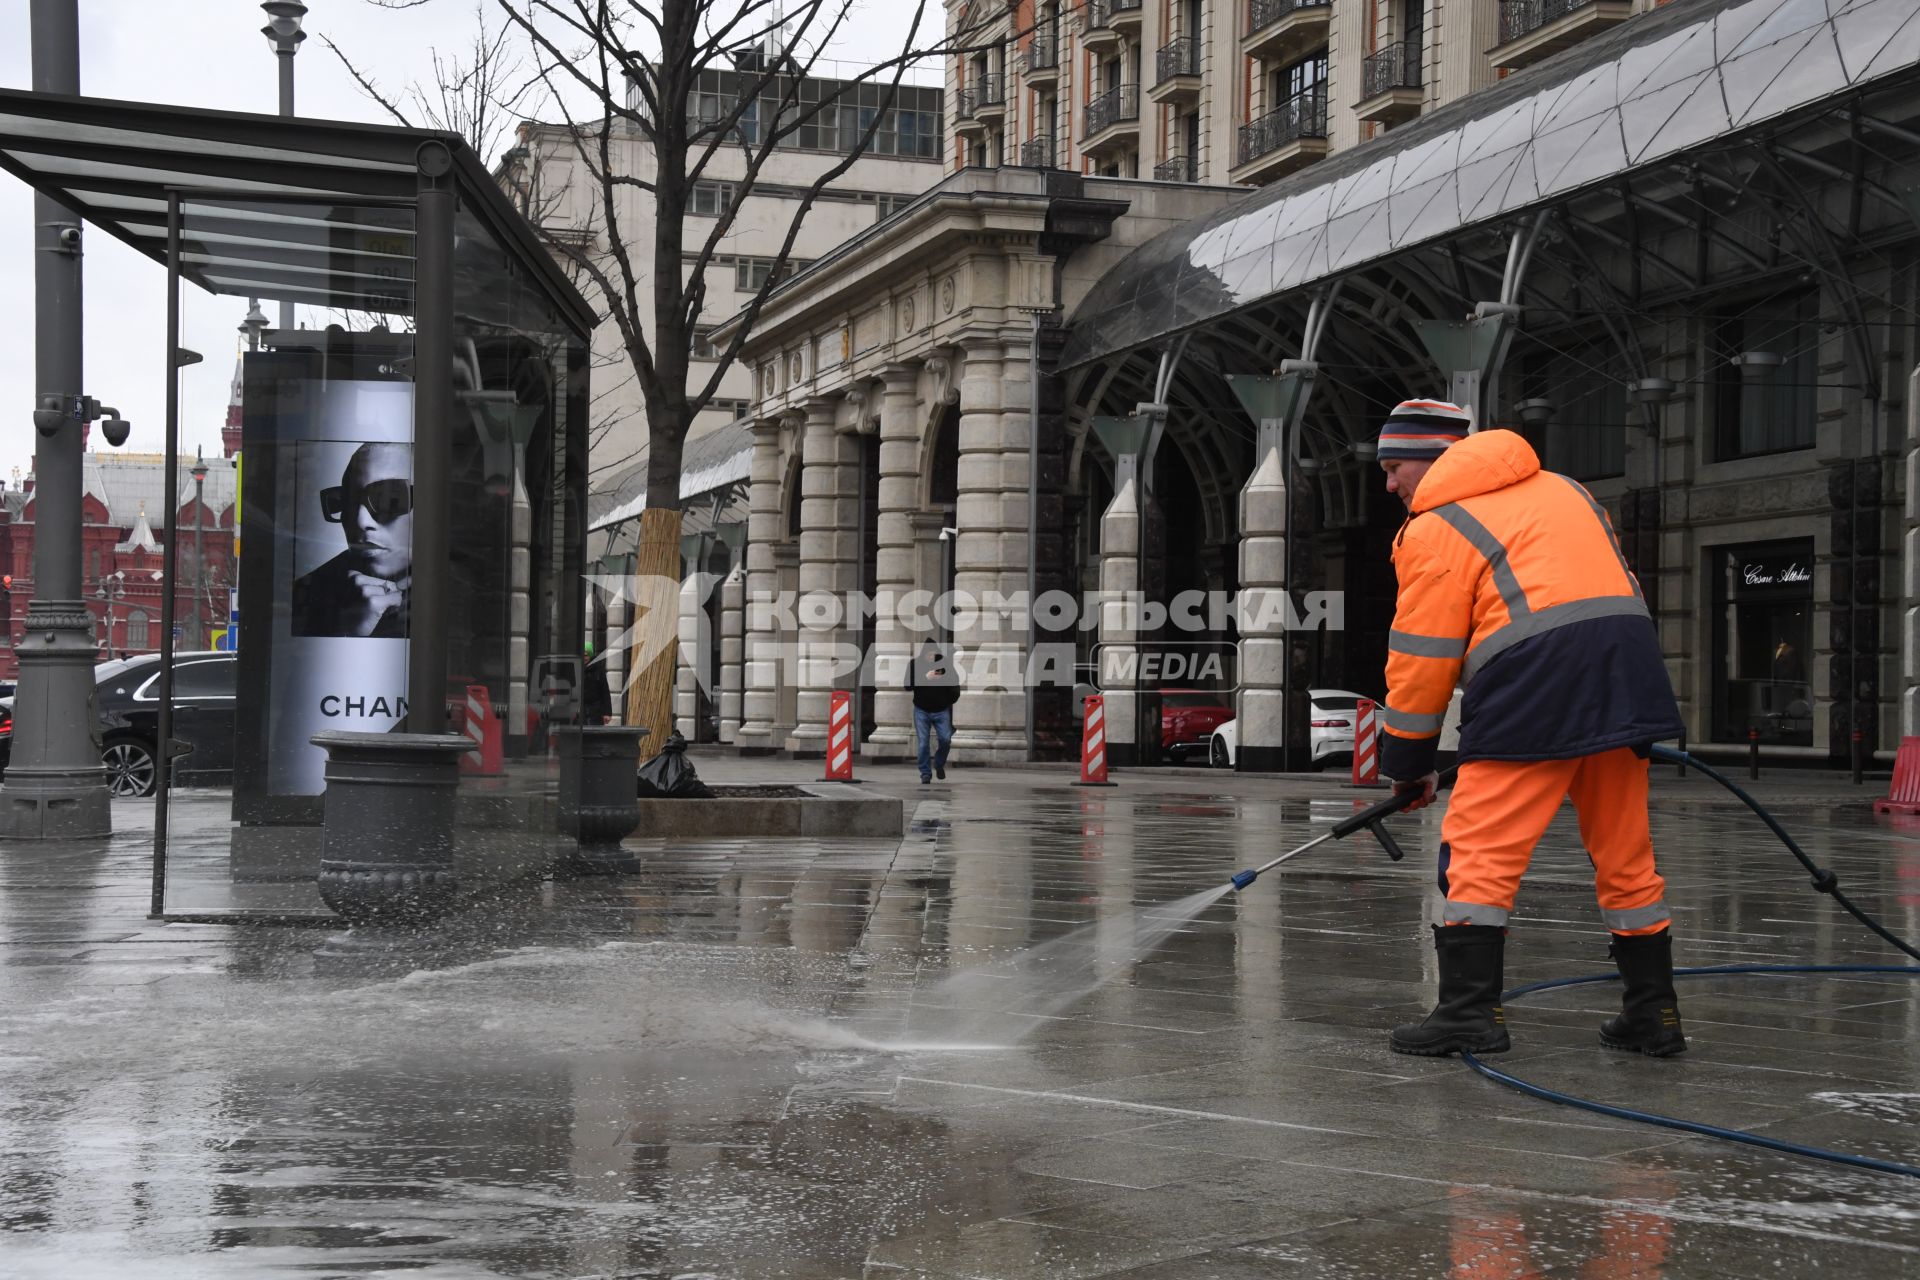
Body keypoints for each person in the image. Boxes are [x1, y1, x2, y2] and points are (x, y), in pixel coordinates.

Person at [1374, 399, 1685, 1058]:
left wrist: (1405, 763)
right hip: (1628, 671)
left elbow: (1422, 659)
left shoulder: (1435, 526)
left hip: (1535, 684)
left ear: (1432, 459)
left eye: (1395, 466)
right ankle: (1654, 1015)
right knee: (1626, 853)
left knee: (1478, 853)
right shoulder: (1566, 489)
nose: (1389, 483)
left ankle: (1467, 1013)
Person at [291, 442, 412, 638]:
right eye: (348, 502)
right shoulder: (305, 595)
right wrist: (348, 633)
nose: (360, 520)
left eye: (386, 500)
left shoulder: (464, 588)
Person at [907, 639, 960, 785]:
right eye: (929, 654)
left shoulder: (945, 664)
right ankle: (925, 773)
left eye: (934, 653)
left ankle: (938, 763)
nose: (931, 656)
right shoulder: (914, 664)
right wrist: (925, 678)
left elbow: (954, 683)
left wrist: (949, 701)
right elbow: (907, 685)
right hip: (921, 710)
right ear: (924, 652)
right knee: (923, 743)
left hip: (941, 710)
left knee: (945, 739)